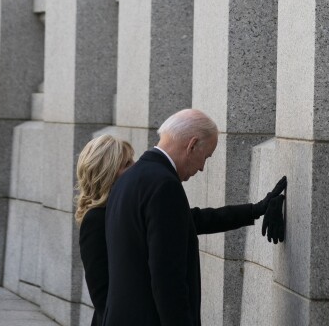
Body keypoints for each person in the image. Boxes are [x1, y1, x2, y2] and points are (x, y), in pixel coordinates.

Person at [103, 109, 286, 326]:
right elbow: (168, 280)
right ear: (192, 145)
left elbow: (192, 221)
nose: (201, 167)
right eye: (206, 156)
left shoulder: (131, 179)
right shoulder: (164, 185)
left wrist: (256, 209)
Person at [76, 134, 135, 326]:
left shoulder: (127, 207)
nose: (135, 167)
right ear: (107, 173)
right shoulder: (96, 219)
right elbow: (101, 292)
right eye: (127, 164)